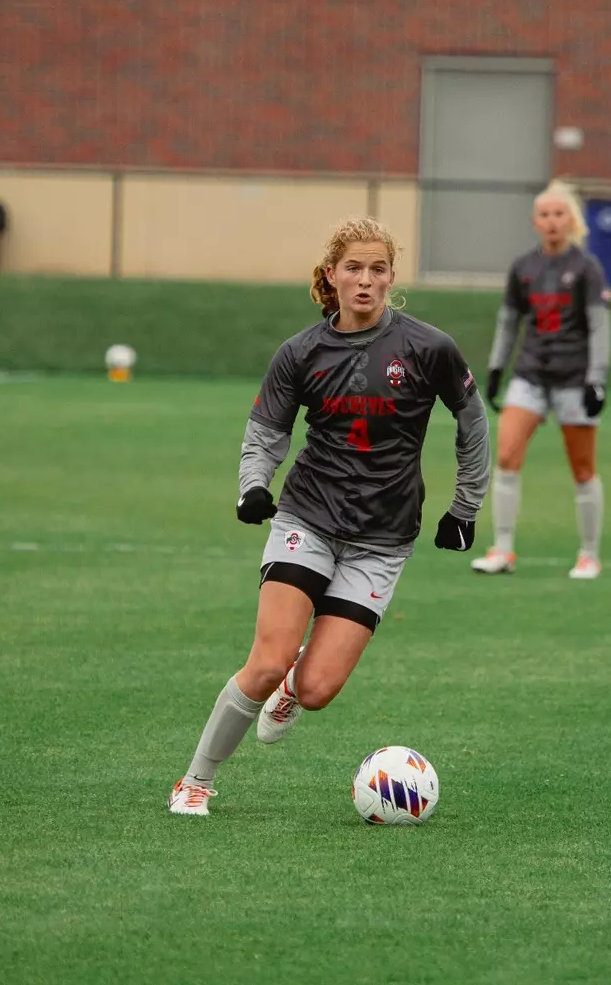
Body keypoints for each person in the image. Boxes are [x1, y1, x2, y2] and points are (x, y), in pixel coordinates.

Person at [167, 217, 489, 816]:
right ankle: (195, 780)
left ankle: (292, 692)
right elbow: (266, 431)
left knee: (315, 689)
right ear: (332, 276)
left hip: (383, 539)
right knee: (266, 661)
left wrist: (465, 507)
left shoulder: (430, 347)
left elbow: (472, 424)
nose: (366, 281)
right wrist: (253, 487)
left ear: (392, 277)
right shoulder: (301, 351)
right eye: (354, 269)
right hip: (307, 517)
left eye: (378, 270)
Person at [471, 180, 611, 580]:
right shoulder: (523, 268)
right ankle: (502, 550)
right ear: (535, 221)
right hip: (530, 374)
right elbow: (509, 321)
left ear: (572, 221)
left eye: (559, 214)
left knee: (583, 468)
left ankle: (589, 554)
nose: (552, 222)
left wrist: (596, 379)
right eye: (545, 215)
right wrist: (497, 367)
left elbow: (600, 326)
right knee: (505, 456)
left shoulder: (587, 269)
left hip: (573, 378)